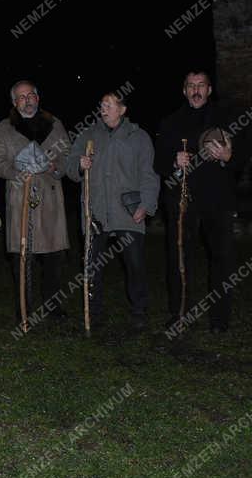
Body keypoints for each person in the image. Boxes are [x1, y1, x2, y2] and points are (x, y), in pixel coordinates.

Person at [154, 71, 249, 333]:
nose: (196, 90)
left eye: (201, 86)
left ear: (209, 90)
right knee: (179, 259)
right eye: (191, 86)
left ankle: (219, 320)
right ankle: (179, 313)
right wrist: (174, 162)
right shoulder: (170, 122)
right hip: (183, 204)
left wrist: (229, 156)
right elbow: (158, 162)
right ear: (184, 90)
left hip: (218, 203)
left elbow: (241, 158)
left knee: (222, 260)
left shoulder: (228, 119)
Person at [67, 91, 159, 331]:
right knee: (92, 265)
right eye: (102, 104)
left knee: (135, 264)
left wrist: (146, 205)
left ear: (122, 109)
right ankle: (94, 312)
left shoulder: (138, 137)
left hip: (128, 212)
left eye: (109, 104)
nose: (103, 108)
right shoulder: (88, 135)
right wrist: (79, 164)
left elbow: (149, 174)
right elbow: (69, 166)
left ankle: (139, 310)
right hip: (94, 211)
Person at [0, 81, 70, 322]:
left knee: (54, 257)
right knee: (23, 257)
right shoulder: (4, 128)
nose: (27, 99)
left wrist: (56, 166)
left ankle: (53, 306)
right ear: (15, 103)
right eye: (22, 97)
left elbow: (68, 155)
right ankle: (24, 307)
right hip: (20, 197)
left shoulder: (55, 124)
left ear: (38, 98)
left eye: (31, 94)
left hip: (51, 197)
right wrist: (16, 171)